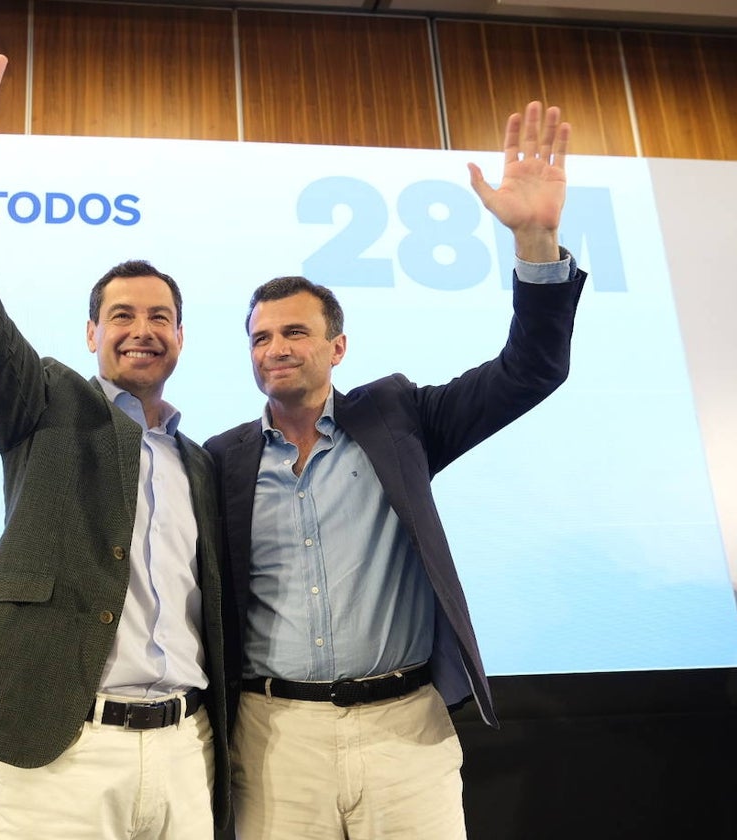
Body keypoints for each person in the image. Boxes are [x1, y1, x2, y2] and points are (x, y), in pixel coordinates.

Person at [204, 101, 585, 839]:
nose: (275, 348)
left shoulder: (398, 418)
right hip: (276, 735)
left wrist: (536, 240)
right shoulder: (221, 460)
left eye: (295, 332)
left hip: (405, 731)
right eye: (260, 337)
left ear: (338, 348)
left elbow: (531, 369)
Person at [0, 55, 228, 839]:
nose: (141, 329)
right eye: (121, 315)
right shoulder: (44, 401)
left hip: (188, 752)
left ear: (180, 336)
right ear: (92, 334)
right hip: (63, 754)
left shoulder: (206, 463)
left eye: (159, 316)